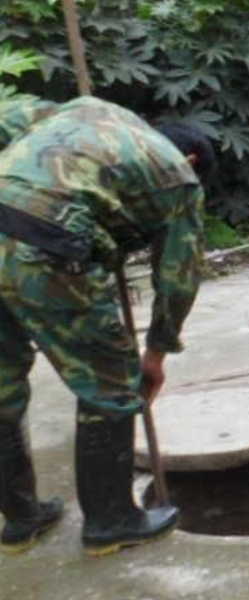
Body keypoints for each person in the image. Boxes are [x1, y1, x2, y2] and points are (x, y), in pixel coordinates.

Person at [0, 95, 215, 556]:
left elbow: (7, 119)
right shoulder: (178, 173)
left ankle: (21, 520)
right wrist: (155, 355)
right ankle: (111, 521)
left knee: (0, 384)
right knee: (112, 383)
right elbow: (178, 278)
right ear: (192, 157)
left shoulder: (84, 110)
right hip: (42, 244)